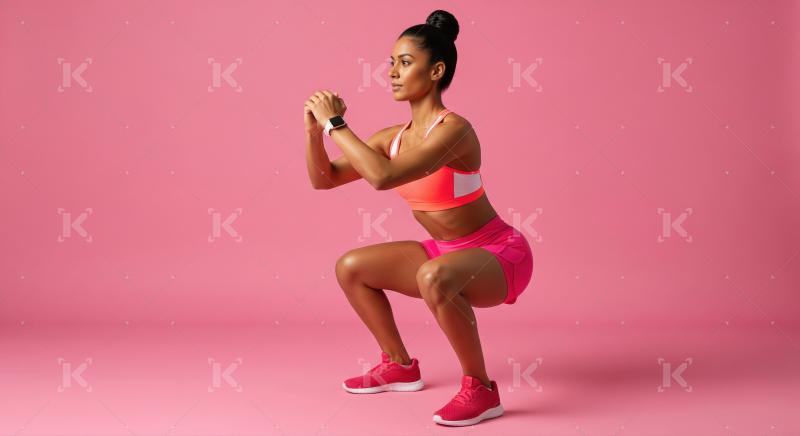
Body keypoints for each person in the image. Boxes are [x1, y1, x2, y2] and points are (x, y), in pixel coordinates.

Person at [303, 9, 533, 427]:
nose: (392, 72)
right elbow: (324, 179)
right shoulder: (391, 138)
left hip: (500, 255)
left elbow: (383, 177)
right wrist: (313, 133)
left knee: (434, 276)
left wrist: (335, 123)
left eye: (405, 62)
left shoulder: (455, 131)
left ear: (436, 70)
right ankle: (399, 365)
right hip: (444, 253)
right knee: (351, 267)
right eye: (391, 61)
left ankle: (481, 390)